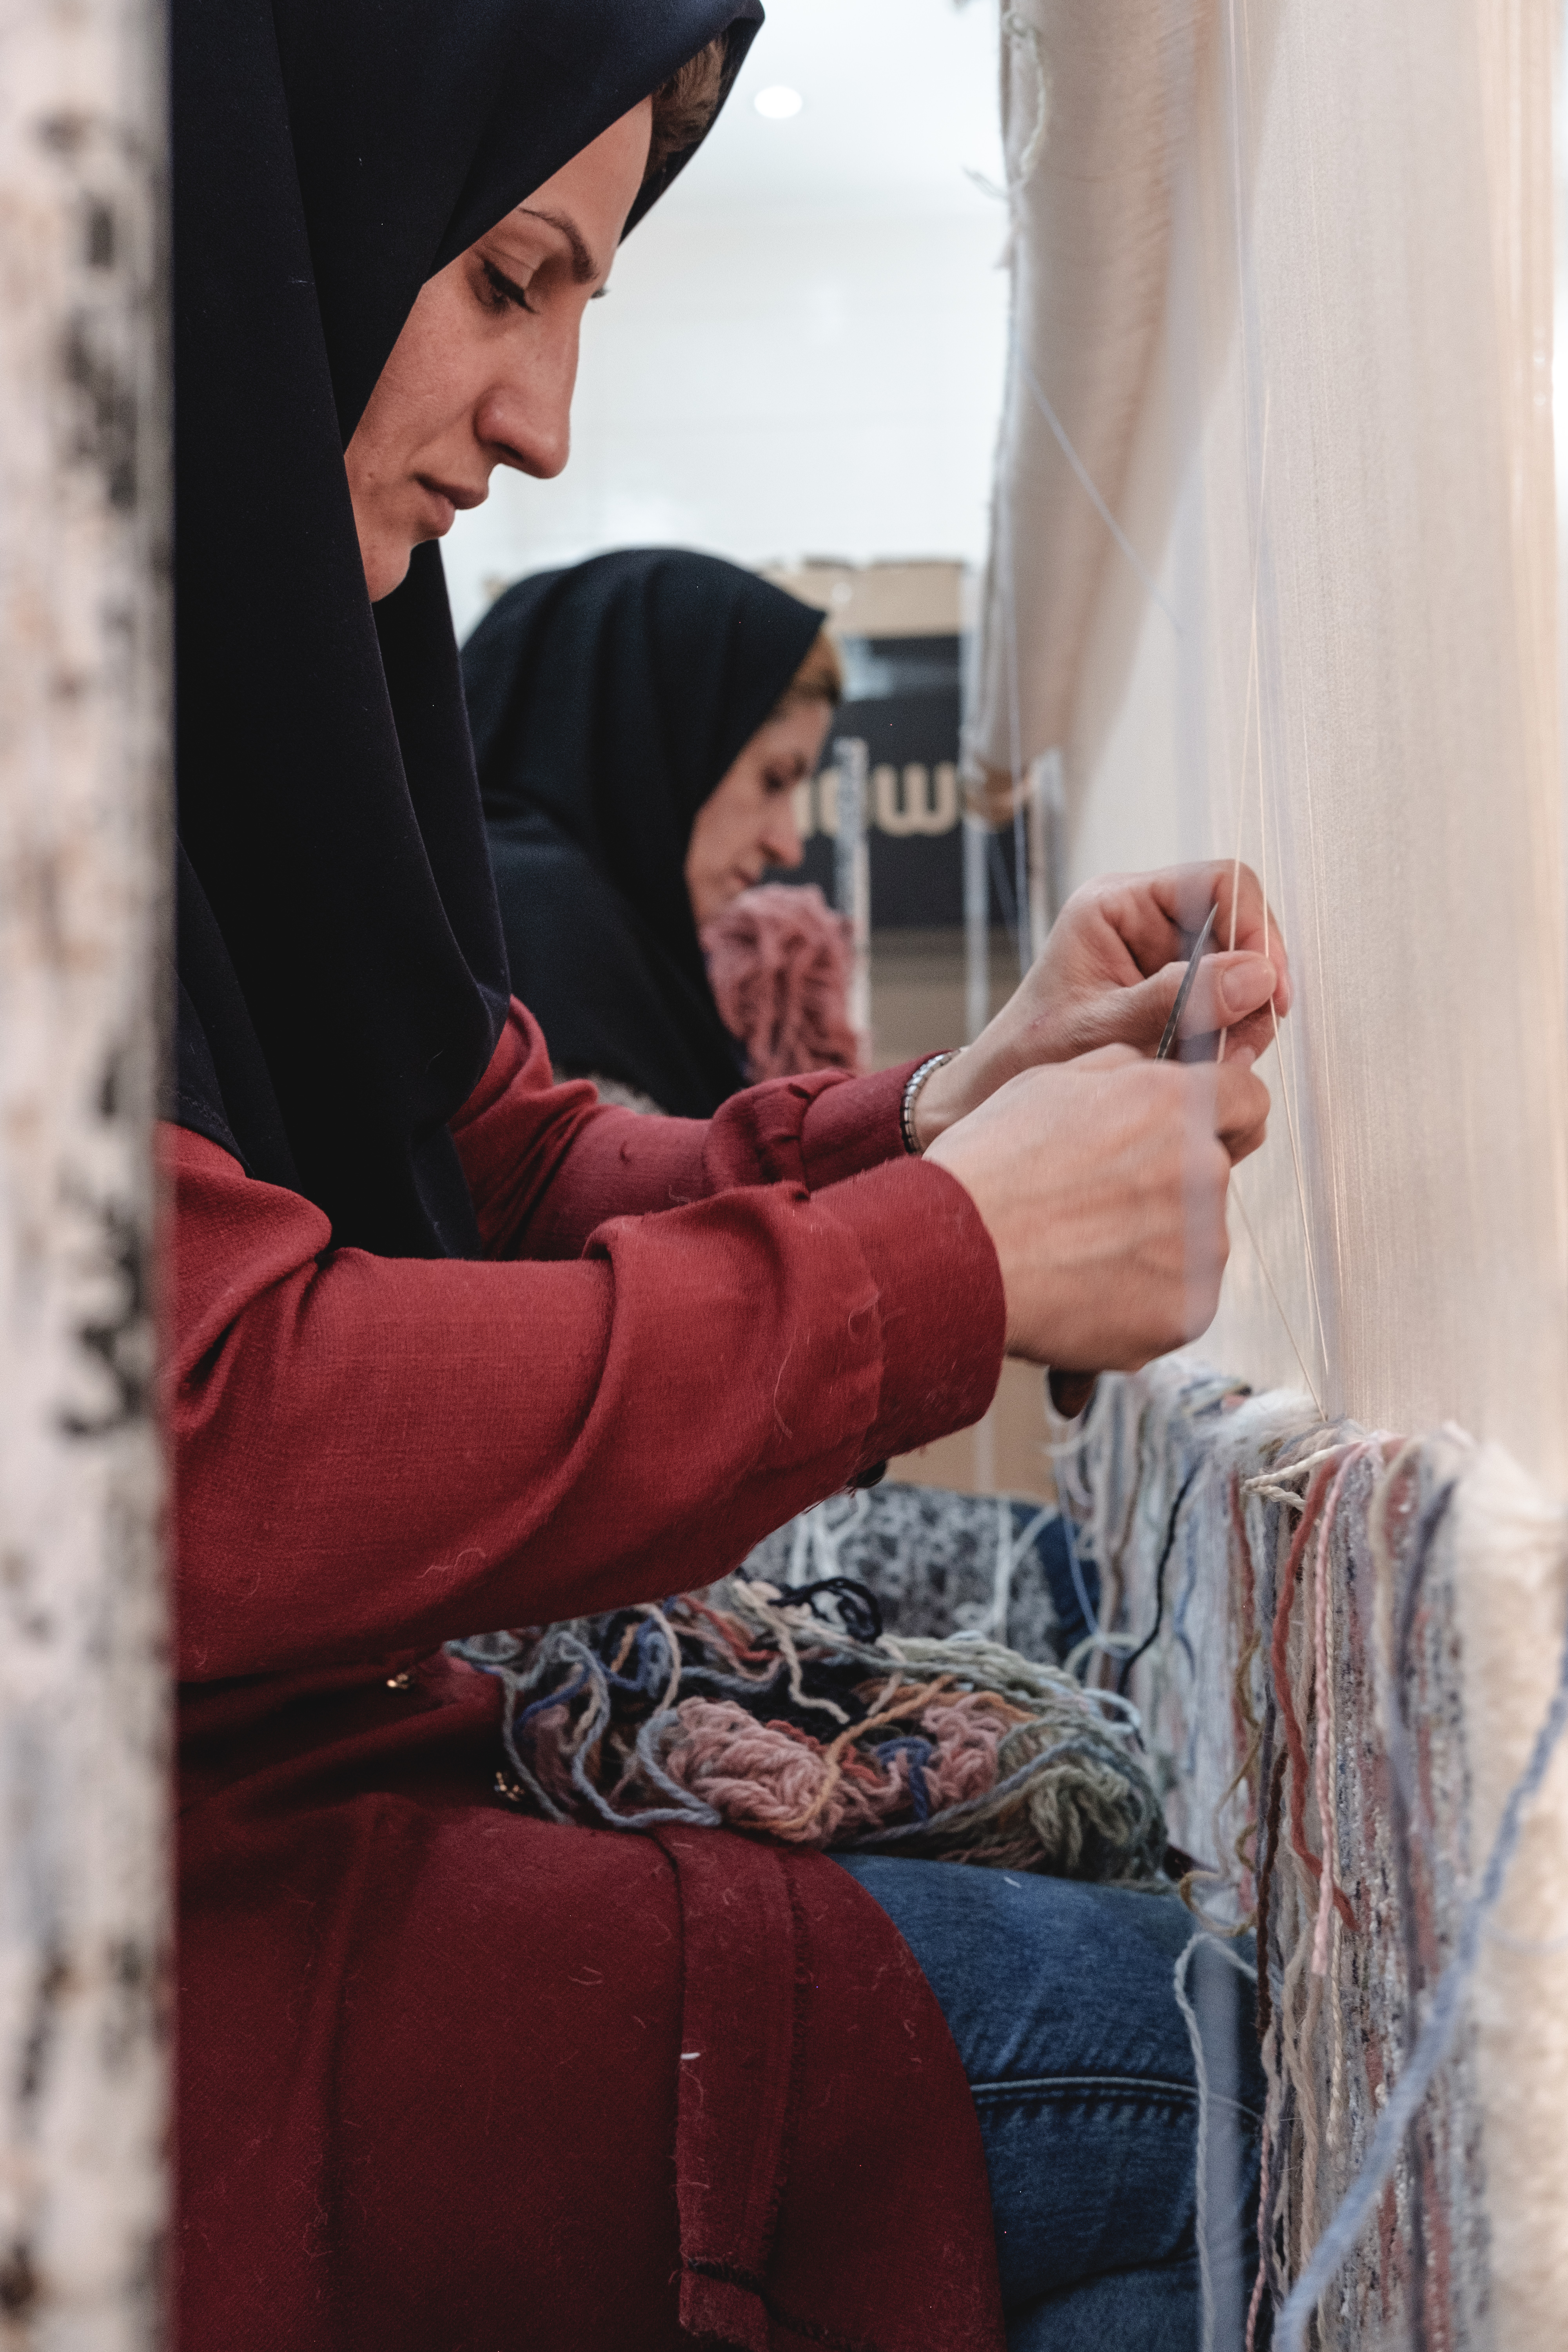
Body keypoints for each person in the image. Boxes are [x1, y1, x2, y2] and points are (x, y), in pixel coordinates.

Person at [169, 3, 1293, 2348]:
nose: (546, 422)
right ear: (268, 228)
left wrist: (946, 1112)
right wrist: (939, 1267)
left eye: (584, 302)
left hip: (309, 1783)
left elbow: (505, 1161)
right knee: (1200, 2075)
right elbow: (200, 1430)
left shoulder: (266, 723)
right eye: (501, 276)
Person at [461, 546, 844, 1114]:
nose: (786, 845)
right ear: (657, 741)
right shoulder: (544, 921)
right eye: (772, 780)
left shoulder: (485, 898)